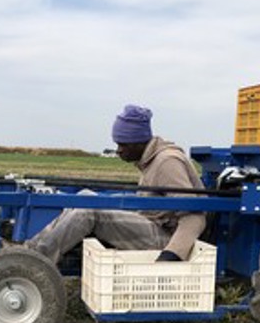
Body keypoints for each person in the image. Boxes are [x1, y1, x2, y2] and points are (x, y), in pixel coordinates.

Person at [25, 104, 207, 263]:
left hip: (167, 239)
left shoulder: (167, 163)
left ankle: (36, 261)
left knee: (90, 211)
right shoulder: (150, 160)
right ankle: (29, 250)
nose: (119, 151)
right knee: (85, 197)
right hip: (150, 224)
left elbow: (193, 217)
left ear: (138, 143)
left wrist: (172, 255)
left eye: (123, 145)